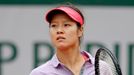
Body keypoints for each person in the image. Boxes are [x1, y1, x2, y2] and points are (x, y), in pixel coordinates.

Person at [29, 4, 113, 75]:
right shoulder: (39, 73)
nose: (59, 30)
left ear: (80, 30)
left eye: (66, 25)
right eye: (54, 25)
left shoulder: (102, 69)